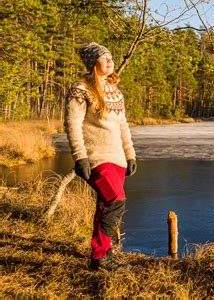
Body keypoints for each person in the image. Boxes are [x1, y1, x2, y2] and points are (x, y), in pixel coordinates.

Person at [64, 42, 137, 270]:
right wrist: (80, 157)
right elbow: (72, 124)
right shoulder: (81, 88)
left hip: (117, 158)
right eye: (104, 57)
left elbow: (123, 126)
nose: (110, 60)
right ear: (93, 63)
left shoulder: (114, 91)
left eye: (110, 57)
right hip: (96, 157)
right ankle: (101, 255)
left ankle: (101, 254)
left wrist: (130, 154)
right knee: (116, 200)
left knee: (105, 205)